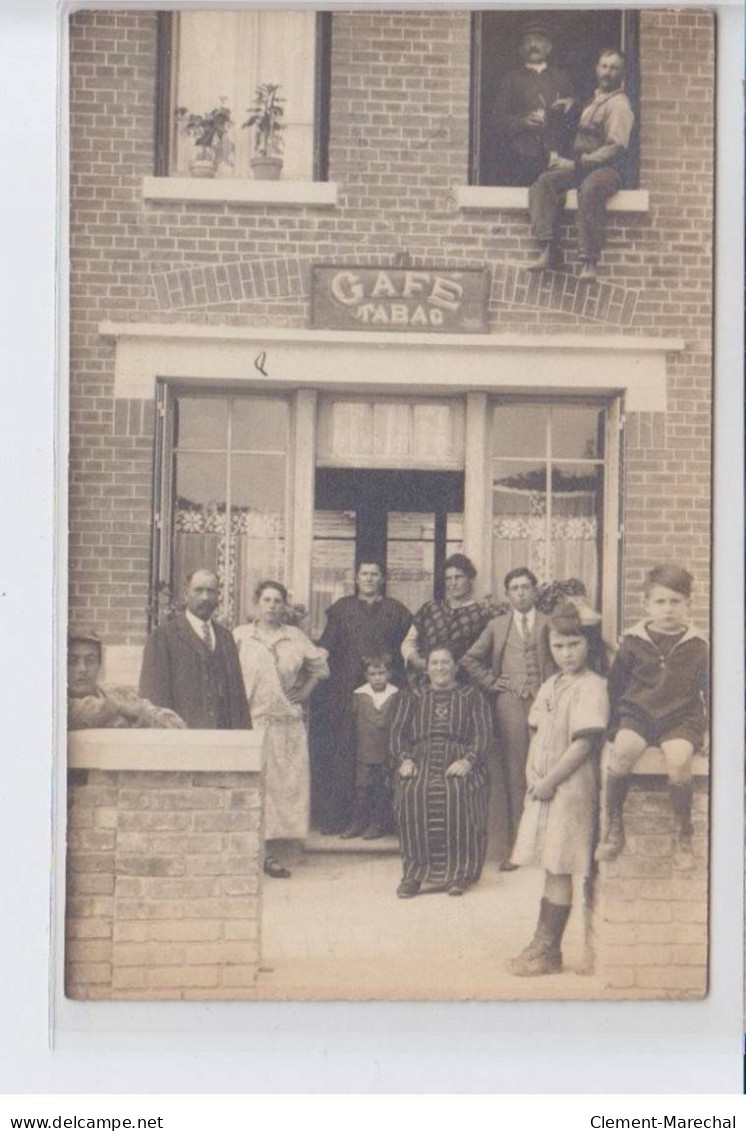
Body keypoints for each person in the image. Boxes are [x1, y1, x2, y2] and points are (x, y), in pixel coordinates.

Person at [508, 601, 609, 977]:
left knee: (561, 865)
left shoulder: (592, 687)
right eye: (558, 646)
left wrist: (549, 781)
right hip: (545, 789)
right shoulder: (552, 684)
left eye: (573, 645)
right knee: (551, 865)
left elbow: (583, 745)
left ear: (588, 645)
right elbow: (536, 731)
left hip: (569, 791)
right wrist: (532, 776)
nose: (566, 653)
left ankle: (548, 950)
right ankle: (543, 945)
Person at [595, 564, 709, 873]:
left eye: (675, 602)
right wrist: (615, 726)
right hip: (639, 714)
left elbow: (709, 691)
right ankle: (614, 823)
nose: (668, 609)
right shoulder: (633, 641)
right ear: (647, 605)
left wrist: (709, 733)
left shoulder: (698, 646)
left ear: (687, 604)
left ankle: (683, 831)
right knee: (624, 749)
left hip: (680, 718)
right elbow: (615, 686)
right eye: (660, 602)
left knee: (679, 756)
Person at [234, 580, 329, 879]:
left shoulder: (295, 637)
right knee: (255, 784)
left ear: (284, 605)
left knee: (281, 787)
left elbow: (320, 668)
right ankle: (255, 852)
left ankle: (270, 852)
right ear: (256, 603)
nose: (272, 605)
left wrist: (304, 692)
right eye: (266, 600)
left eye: (278, 600)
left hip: (286, 723)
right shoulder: (241, 636)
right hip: (251, 720)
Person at [461, 567, 554, 869]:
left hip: (545, 701)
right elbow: (469, 658)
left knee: (547, 768)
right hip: (510, 704)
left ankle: (548, 846)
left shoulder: (550, 624)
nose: (521, 592)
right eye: (515, 588)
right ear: (508, 594)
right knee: (516, 773)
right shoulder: (498, 625)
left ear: (535, 590)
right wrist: (492, 681)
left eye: (526, 587)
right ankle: (517, 847)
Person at [314, 561, 412, 834]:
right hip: (348, 691)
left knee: (382, 754)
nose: (369, 578)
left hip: (385, 692)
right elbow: (326, 645)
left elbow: (408, 648)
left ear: (382, 579)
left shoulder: (396, 611)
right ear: (356, 578)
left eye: (374, 574)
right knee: (348, 753)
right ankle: (345, 819)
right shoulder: (343, 609)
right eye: (364, 574)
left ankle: (382, 821)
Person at [391, 645, 492, 898]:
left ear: (456, 667)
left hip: (458, 756)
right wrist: (404, 760)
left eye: (445, 663)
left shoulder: (472, 696)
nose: (440, 668)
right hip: (420, 756)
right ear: (427, 668)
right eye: (434, 663)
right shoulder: (412, 694)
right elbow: (397, 733)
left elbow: (483, 734)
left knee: (456, 790)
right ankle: (413, 874)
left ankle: (459, 873)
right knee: (414, 791)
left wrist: (468, 761)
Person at [527, 48, 635, 281]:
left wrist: (579, 162)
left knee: (590, 190)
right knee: (544, 183)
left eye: (614, 68)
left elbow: (616, 147)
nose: (608, 72)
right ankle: (549, 249)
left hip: (608, 169)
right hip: (582, 166)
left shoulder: (619, 105)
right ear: (597, 69)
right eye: (604, 66)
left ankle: (589, 261)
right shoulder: (594, 98)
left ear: (622, 73)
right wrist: (573, 104)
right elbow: (588, 115)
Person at [139, 568, 250, 730]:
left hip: (222, 740)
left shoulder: (226, 638)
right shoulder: (163, 637)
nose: (205, 597)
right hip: (183, 738)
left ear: (218, 596)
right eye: (198, 590)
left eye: (211, 591)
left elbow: (238, 699)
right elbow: (153, 699)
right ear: (186, 594)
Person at [494, 21, 575, 187]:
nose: (533, 45)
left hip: (556, 155)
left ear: (549, 47)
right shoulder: (511, 80)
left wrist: (572, 103)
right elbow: (499, 119)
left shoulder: (562, 78)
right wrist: (523, 122)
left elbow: (580, 116)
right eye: (528, 41)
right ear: (521, 49)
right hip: (522, 156)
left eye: (538, 40)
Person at [401, 553, 503, 676]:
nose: (453, 583)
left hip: (465, 681)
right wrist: (416, 661)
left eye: (458, 577)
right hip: (427, 679)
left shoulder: (483, 615)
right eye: (448, 579)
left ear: (470, 579)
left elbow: (491, 655)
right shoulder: (430, 608)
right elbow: (409, 642)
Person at [68, 627, 186, 730]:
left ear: (99, 665)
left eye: (90, 660)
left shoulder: (117, 695)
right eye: (72, 661)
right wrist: (120, 711)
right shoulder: (53, 703)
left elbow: (172, 721)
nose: (82, 668)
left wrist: (144, 716)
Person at [341, 653, 400, 841]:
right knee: (362, 787)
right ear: (366, 676)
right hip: (364, 751)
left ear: (389, 674)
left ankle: (377, 824)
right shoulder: (359, 695)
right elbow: (351, 724)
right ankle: (358, 822)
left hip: (386, 752)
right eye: (373, 674)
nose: (377, 678)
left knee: (382, 788)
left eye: (381, 673)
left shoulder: (396, 695)